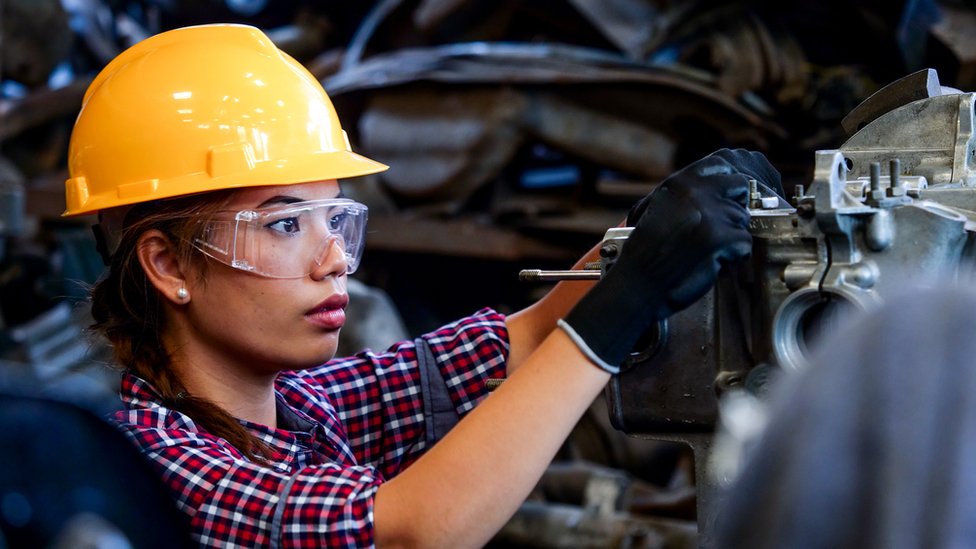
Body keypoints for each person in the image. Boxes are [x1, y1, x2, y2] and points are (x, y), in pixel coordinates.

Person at [63, 23, 777, 547]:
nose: (335, 260)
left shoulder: (302, 407)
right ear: (167, 264)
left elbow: (525, 337)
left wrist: (650, 226)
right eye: (286, 226)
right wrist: (631, 299)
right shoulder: (164, 466)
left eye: (336, 220)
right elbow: (411, 529)